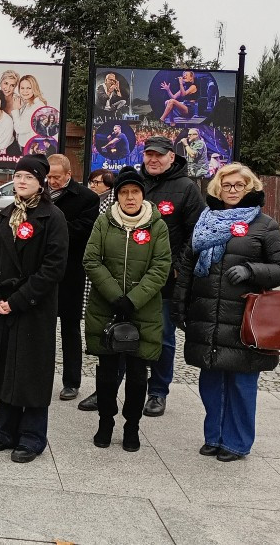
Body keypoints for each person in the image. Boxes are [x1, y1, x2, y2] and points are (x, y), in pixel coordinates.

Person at [173, 163, 280, 461]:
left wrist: (251, 270)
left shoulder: (264, 225)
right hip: (206, 313)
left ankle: (237, 442)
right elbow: (187, 266)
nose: (233, 191)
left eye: (239, 185)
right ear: (217, 189)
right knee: (210, 379)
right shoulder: (206, 220)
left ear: (250, 187)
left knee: (241, 381)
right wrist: (179, 304)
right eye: (227, 186)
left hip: (244, 317)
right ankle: (214, 436)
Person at [0, 154, 69, 463]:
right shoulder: (5, 215)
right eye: (18, 176)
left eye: (28, 177)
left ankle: (32, 436)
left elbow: (54, 267)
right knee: (6, 367)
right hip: (2, 306)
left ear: (41, 182)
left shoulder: (52, 217)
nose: (21, 181)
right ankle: (5, 430)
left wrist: (17, 300)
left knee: (31, 370)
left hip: (33, 307)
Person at [84, 166, 171, 452]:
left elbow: (161, 268)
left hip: (142, 310)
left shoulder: (156, 225)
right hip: (106, 308)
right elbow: (91, 260)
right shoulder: (104, 222)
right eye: (124, 192)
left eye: (135, 192)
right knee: (107, 373)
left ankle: (131, 425)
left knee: (136, 375)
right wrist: (114, 296)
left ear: (142, 194)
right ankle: (105, 422)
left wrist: (132, 300)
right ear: (117, 195)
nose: (129, 197)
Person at [138, 135, 205, 417]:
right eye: (149, 154)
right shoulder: (133, 184)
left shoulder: (186, 188)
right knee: (126, 332)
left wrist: (179, 265)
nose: (153, 160)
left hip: (166, 279)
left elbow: (196, 233)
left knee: (163, 336)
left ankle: (157, 391)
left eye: (159, 155)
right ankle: (120, 385)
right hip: (131, 276)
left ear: (171, 158)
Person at [46, 154, 100, 402]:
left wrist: (52, 223)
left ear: (68, 174)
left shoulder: (87, 198)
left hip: (71, 270)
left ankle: (71, 381)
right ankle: (40, 376)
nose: (51, 181)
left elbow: (82, 232)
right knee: (41, 326)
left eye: (56, 177)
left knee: (70, 328)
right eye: (48, 176)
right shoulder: (40, 192)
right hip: (42, 270)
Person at [77, 168, 116, 412]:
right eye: (90, 181)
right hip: (93, 271)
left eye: (97, 182)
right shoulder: (94, 203)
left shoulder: (109, 206)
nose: (93, 185)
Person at [11, 76, 48, 149]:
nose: (25, 91)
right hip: (25, 147)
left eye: (28, 88)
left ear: (34, 89)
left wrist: (15, 110)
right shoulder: (28, 104)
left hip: (31, 148)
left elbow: (19, 129)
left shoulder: (38, 107)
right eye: (22, 88)